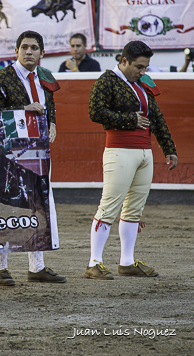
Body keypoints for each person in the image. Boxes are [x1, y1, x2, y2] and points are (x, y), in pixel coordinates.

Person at [86, 41, 177, 280]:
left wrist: (168, 147)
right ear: (124, 61)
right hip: (120, 150)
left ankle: (126, 261)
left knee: (134, 209)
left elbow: (156, 116)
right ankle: (94, 263)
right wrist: (129, 120)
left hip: (144, 152)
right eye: (139, 66)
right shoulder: (106, 81)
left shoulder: (143, 84)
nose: (143, 71)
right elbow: (95, 112)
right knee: (109, 206)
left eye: (145, 67)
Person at [0, 30, 66, 285]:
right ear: (17, 51)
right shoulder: (0, 78)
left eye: (34, 48)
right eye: (24, 47)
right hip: (7, 155)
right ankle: (0, 268)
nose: (29, 52)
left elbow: (49, 107)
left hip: (37, 154)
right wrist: (21, 111)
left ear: (41, 53)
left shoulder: (45, 79)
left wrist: (51, 122)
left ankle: (37, 266)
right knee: (6, 206)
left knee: (38, 205)